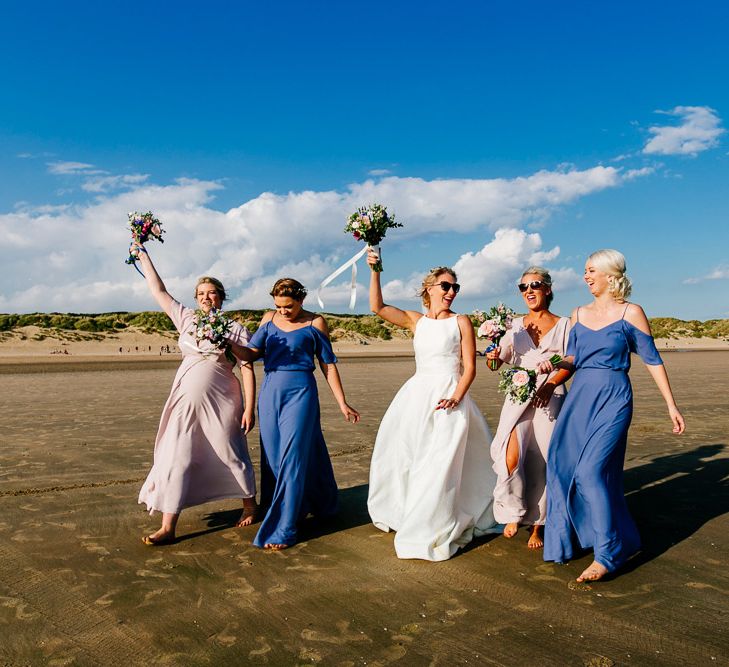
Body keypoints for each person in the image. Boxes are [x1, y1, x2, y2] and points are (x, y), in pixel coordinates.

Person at [541, 249, 685, 582]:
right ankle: (575, 540)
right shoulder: (578, 314)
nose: (586, 276)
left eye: (591, 270)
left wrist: (671, 404)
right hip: (579, 399)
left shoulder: (631, 313)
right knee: (562, 466)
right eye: (585, 271)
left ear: (610, 274)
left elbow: (651, 359)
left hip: (614, 397)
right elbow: (573, 358)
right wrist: (551, 368)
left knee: (591, 472)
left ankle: (608, 555)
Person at [366, 249, 497, 560]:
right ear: (429, 288)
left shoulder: (461, 322)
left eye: (455, 287)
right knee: (410, 456)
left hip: (450, 396)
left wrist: (457, 396)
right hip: (416, 395)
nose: (451, 292)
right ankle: (408, 511)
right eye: (446, 286)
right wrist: (375, 269)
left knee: (442, 460)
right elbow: (377, 307)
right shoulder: (416, 321)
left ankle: (437, 517)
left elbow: (470, 367)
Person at [132, 242, 257, 545]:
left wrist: (249, 409)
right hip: (184, 399)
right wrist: (143, 257)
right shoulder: (186, 318)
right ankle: (168, 526)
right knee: (178, 455)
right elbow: (158, 291)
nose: (205, 297)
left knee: (229, 451)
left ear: (221, 296)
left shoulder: (234, 327)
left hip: (222, 399)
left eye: (211, 292)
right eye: (200, 293)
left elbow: (248, 366)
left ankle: (250, 505)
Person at [229, 278, 360, 550]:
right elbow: (252, 354)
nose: (283, 311)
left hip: (301, 392)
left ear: (301, 300)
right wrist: (227, 343)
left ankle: (285, 527)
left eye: (288, 306)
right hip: (270, 392)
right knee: (274, 457)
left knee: (293, 456)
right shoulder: (269, 318)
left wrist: (342, 402)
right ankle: (300, 505)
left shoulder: (316, 323)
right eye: (278, 306)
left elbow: (328, 365)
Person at [485, 267, 572, 549]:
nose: (529, 291)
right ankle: (513, 511)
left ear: (547, 289)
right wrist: (493, 354)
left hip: (551, 397)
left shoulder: (564, 324)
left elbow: (571, 360)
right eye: (523, 287)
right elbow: (497, 363)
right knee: (510, 455)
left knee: (546, 460)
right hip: (518, 397)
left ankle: (538, 526)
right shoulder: (515, 326)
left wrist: (551, 382)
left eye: (535, 285)